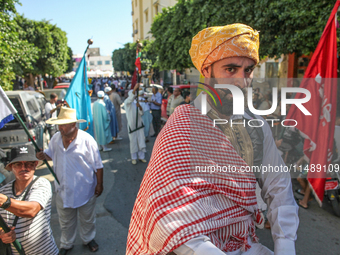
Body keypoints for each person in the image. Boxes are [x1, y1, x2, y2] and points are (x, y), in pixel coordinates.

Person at [126, 24, 298, 255]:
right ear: (207, 70)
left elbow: (278, 185)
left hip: (247, 246)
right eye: (230, 69)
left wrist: (285, 245)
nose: (241, 81)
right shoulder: (181, 126)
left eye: (247, 71)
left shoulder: (256, 125)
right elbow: (165, 212)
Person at [36, 107, 103, 254]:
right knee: (65, 222)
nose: (60, 128)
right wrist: (43, 156)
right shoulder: (55, 139)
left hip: (85, 190)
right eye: (59, 124)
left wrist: (99, 184)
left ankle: (88, 239)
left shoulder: (87, 140)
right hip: (63, 190)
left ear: (74, 125)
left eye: (64, 124)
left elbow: (98, 165)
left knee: (87, 219)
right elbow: (50, 155)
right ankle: (66, 244)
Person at [0, 145, 58, 255]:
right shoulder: (4, 191)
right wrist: (3, 233)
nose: (23, 168)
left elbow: (31, 210)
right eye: (18, 164)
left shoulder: (42, 184)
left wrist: (5, 201)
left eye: (28, 163)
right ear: (11, 167)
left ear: (35, 165)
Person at [124, 84, 147, 165]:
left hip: (139, 125)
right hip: (132, 126)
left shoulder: (136, 103)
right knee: (133, 142)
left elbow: (141, 113)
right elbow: (130, 99)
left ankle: (141, 157)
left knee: (141, 140)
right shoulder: (127, 103)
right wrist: (134, 89)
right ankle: (134, 158)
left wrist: (140, 107)